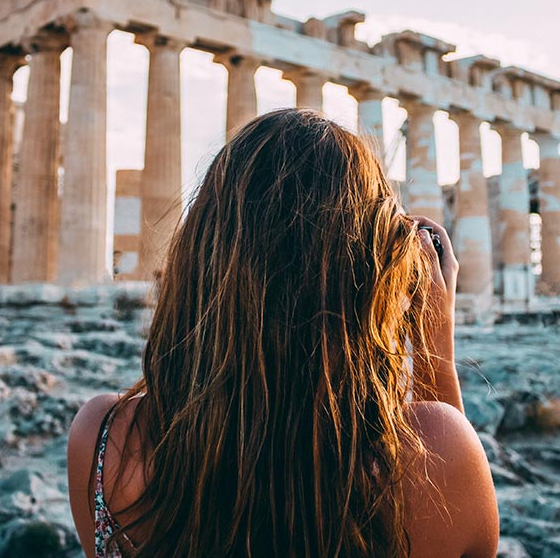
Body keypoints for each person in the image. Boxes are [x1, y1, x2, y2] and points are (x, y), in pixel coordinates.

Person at [67, 108, 499, 558]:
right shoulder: (436, 451)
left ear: (200, 251)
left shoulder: (101, 438)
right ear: (370, 275)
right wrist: (433, 338)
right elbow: (458, 523)